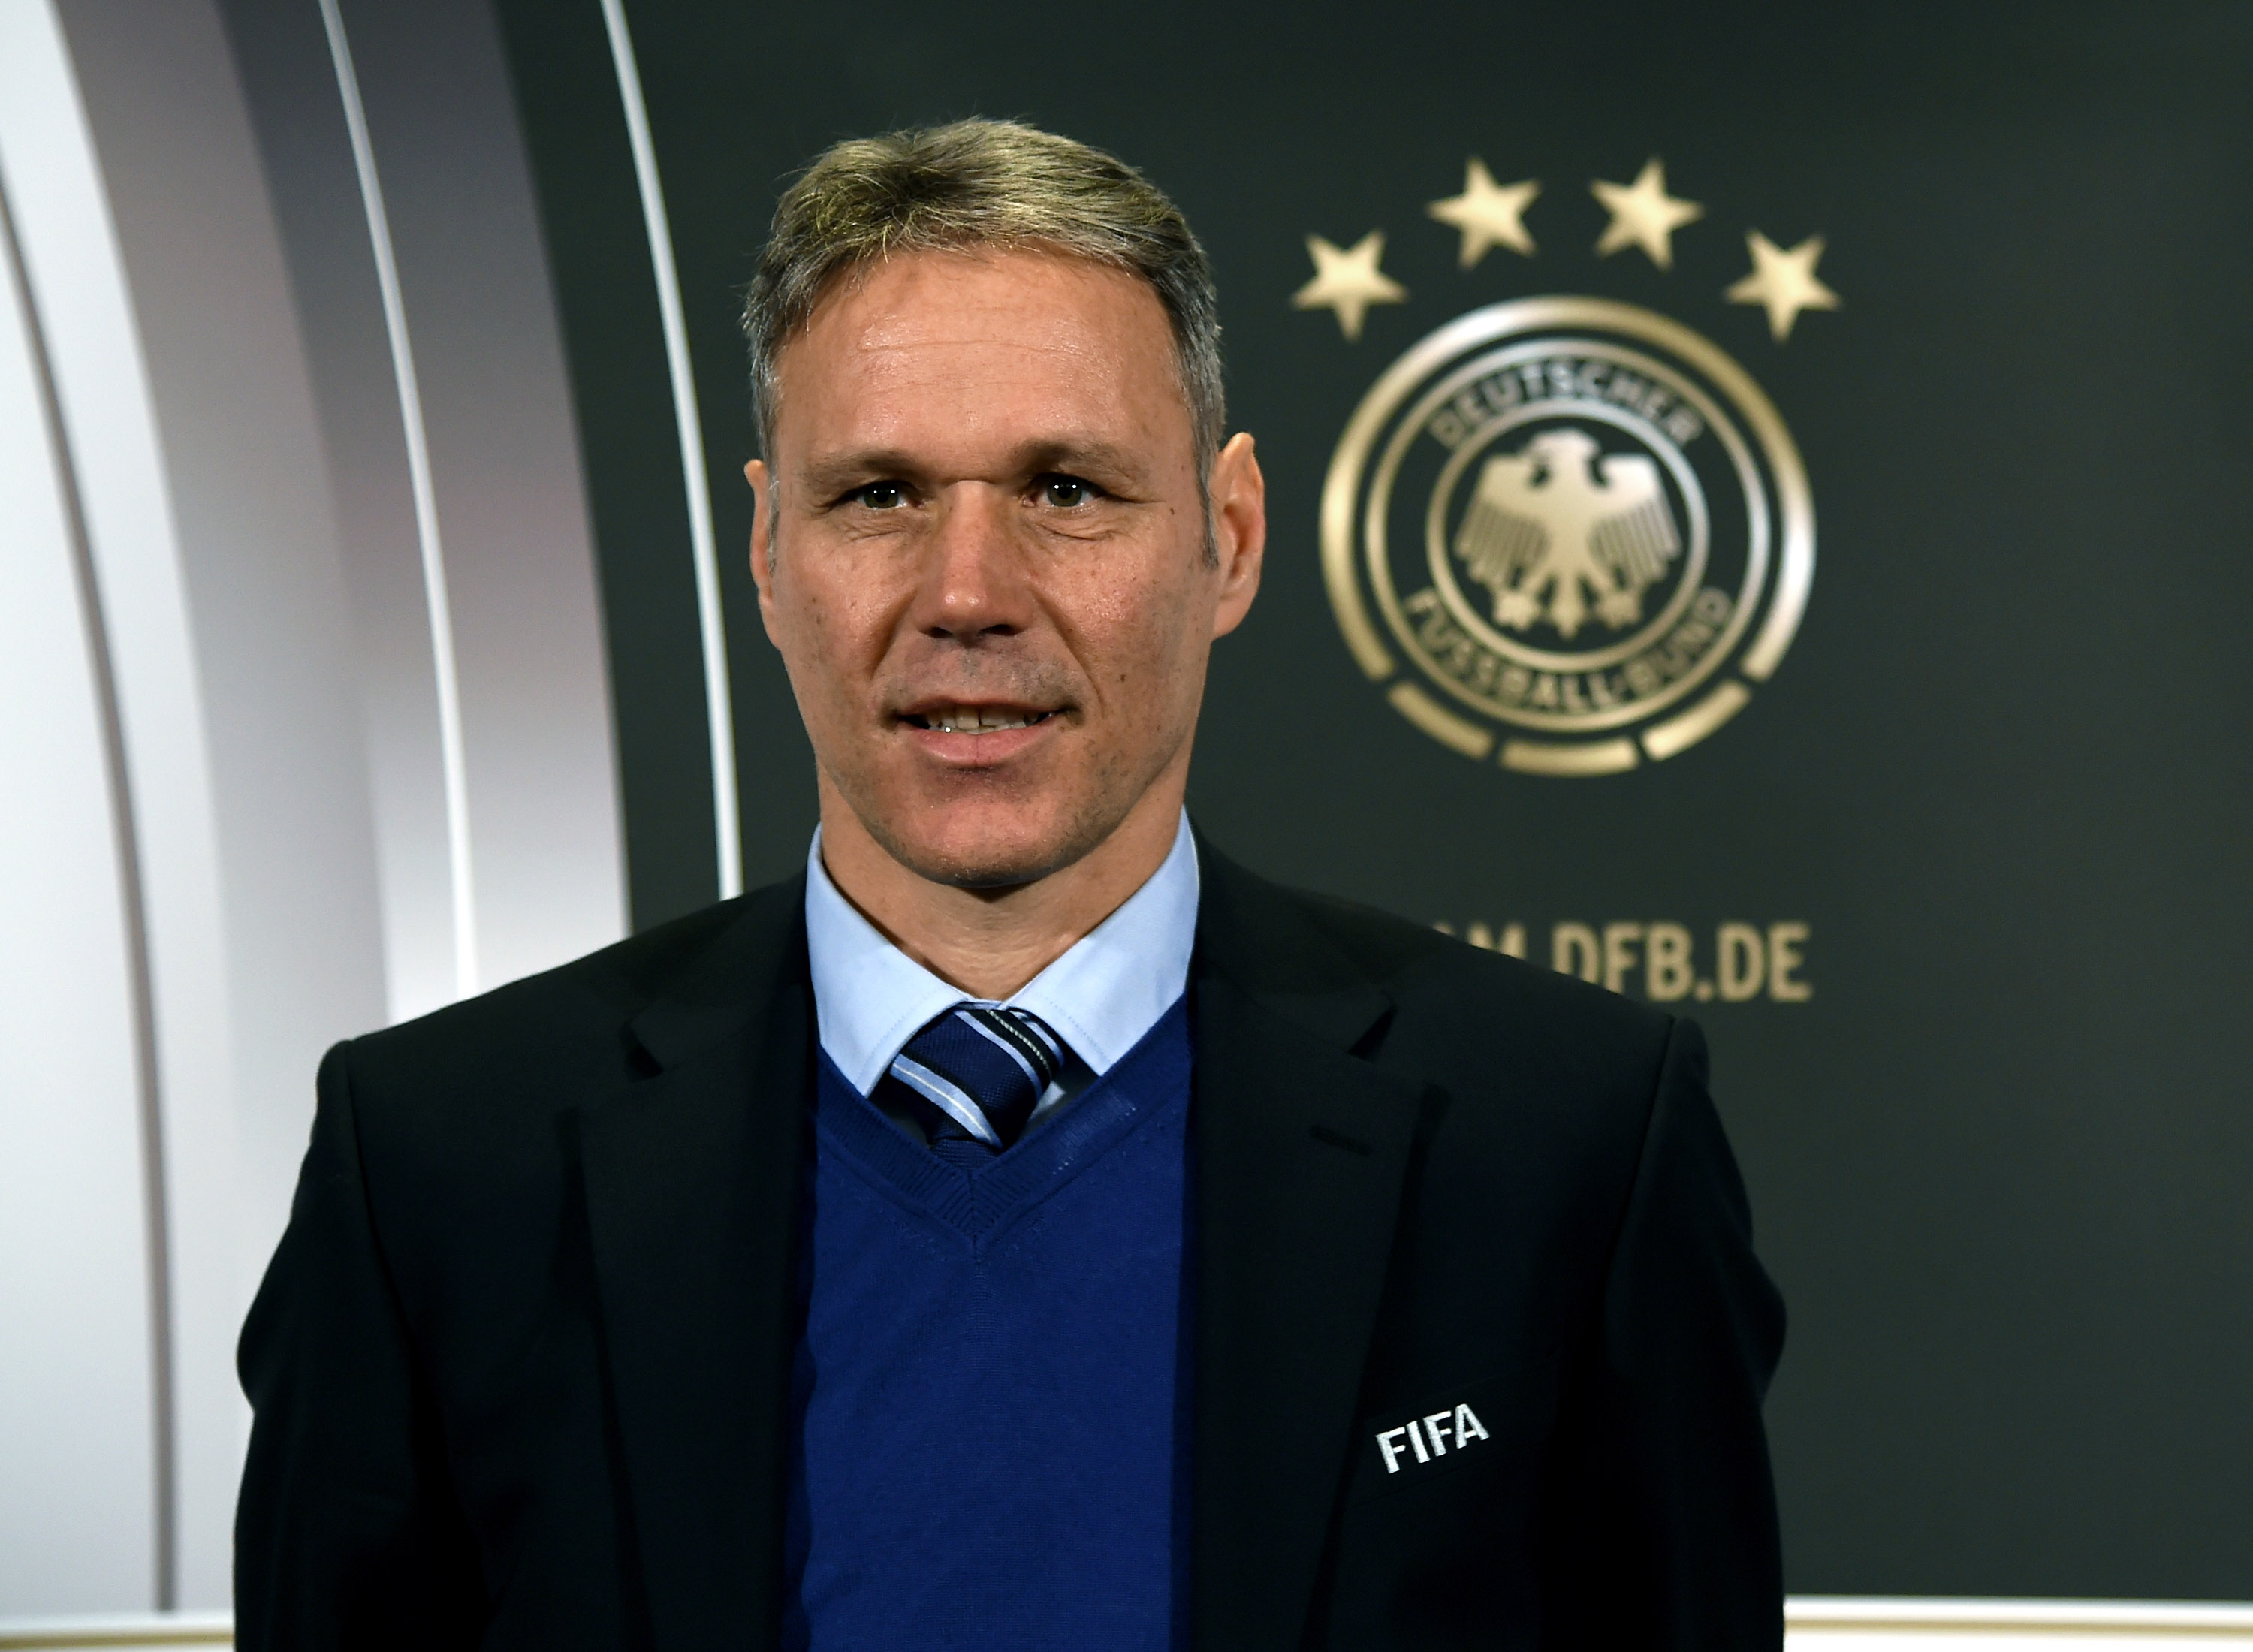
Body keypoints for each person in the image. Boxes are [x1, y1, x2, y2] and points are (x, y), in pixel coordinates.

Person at [234, 118, 1784, 1651]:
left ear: (1231, 537)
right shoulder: (438, 1162)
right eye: (879, 495)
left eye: (1066, 489)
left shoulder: (1571, 1140)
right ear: (767, 550)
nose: (967, 593)